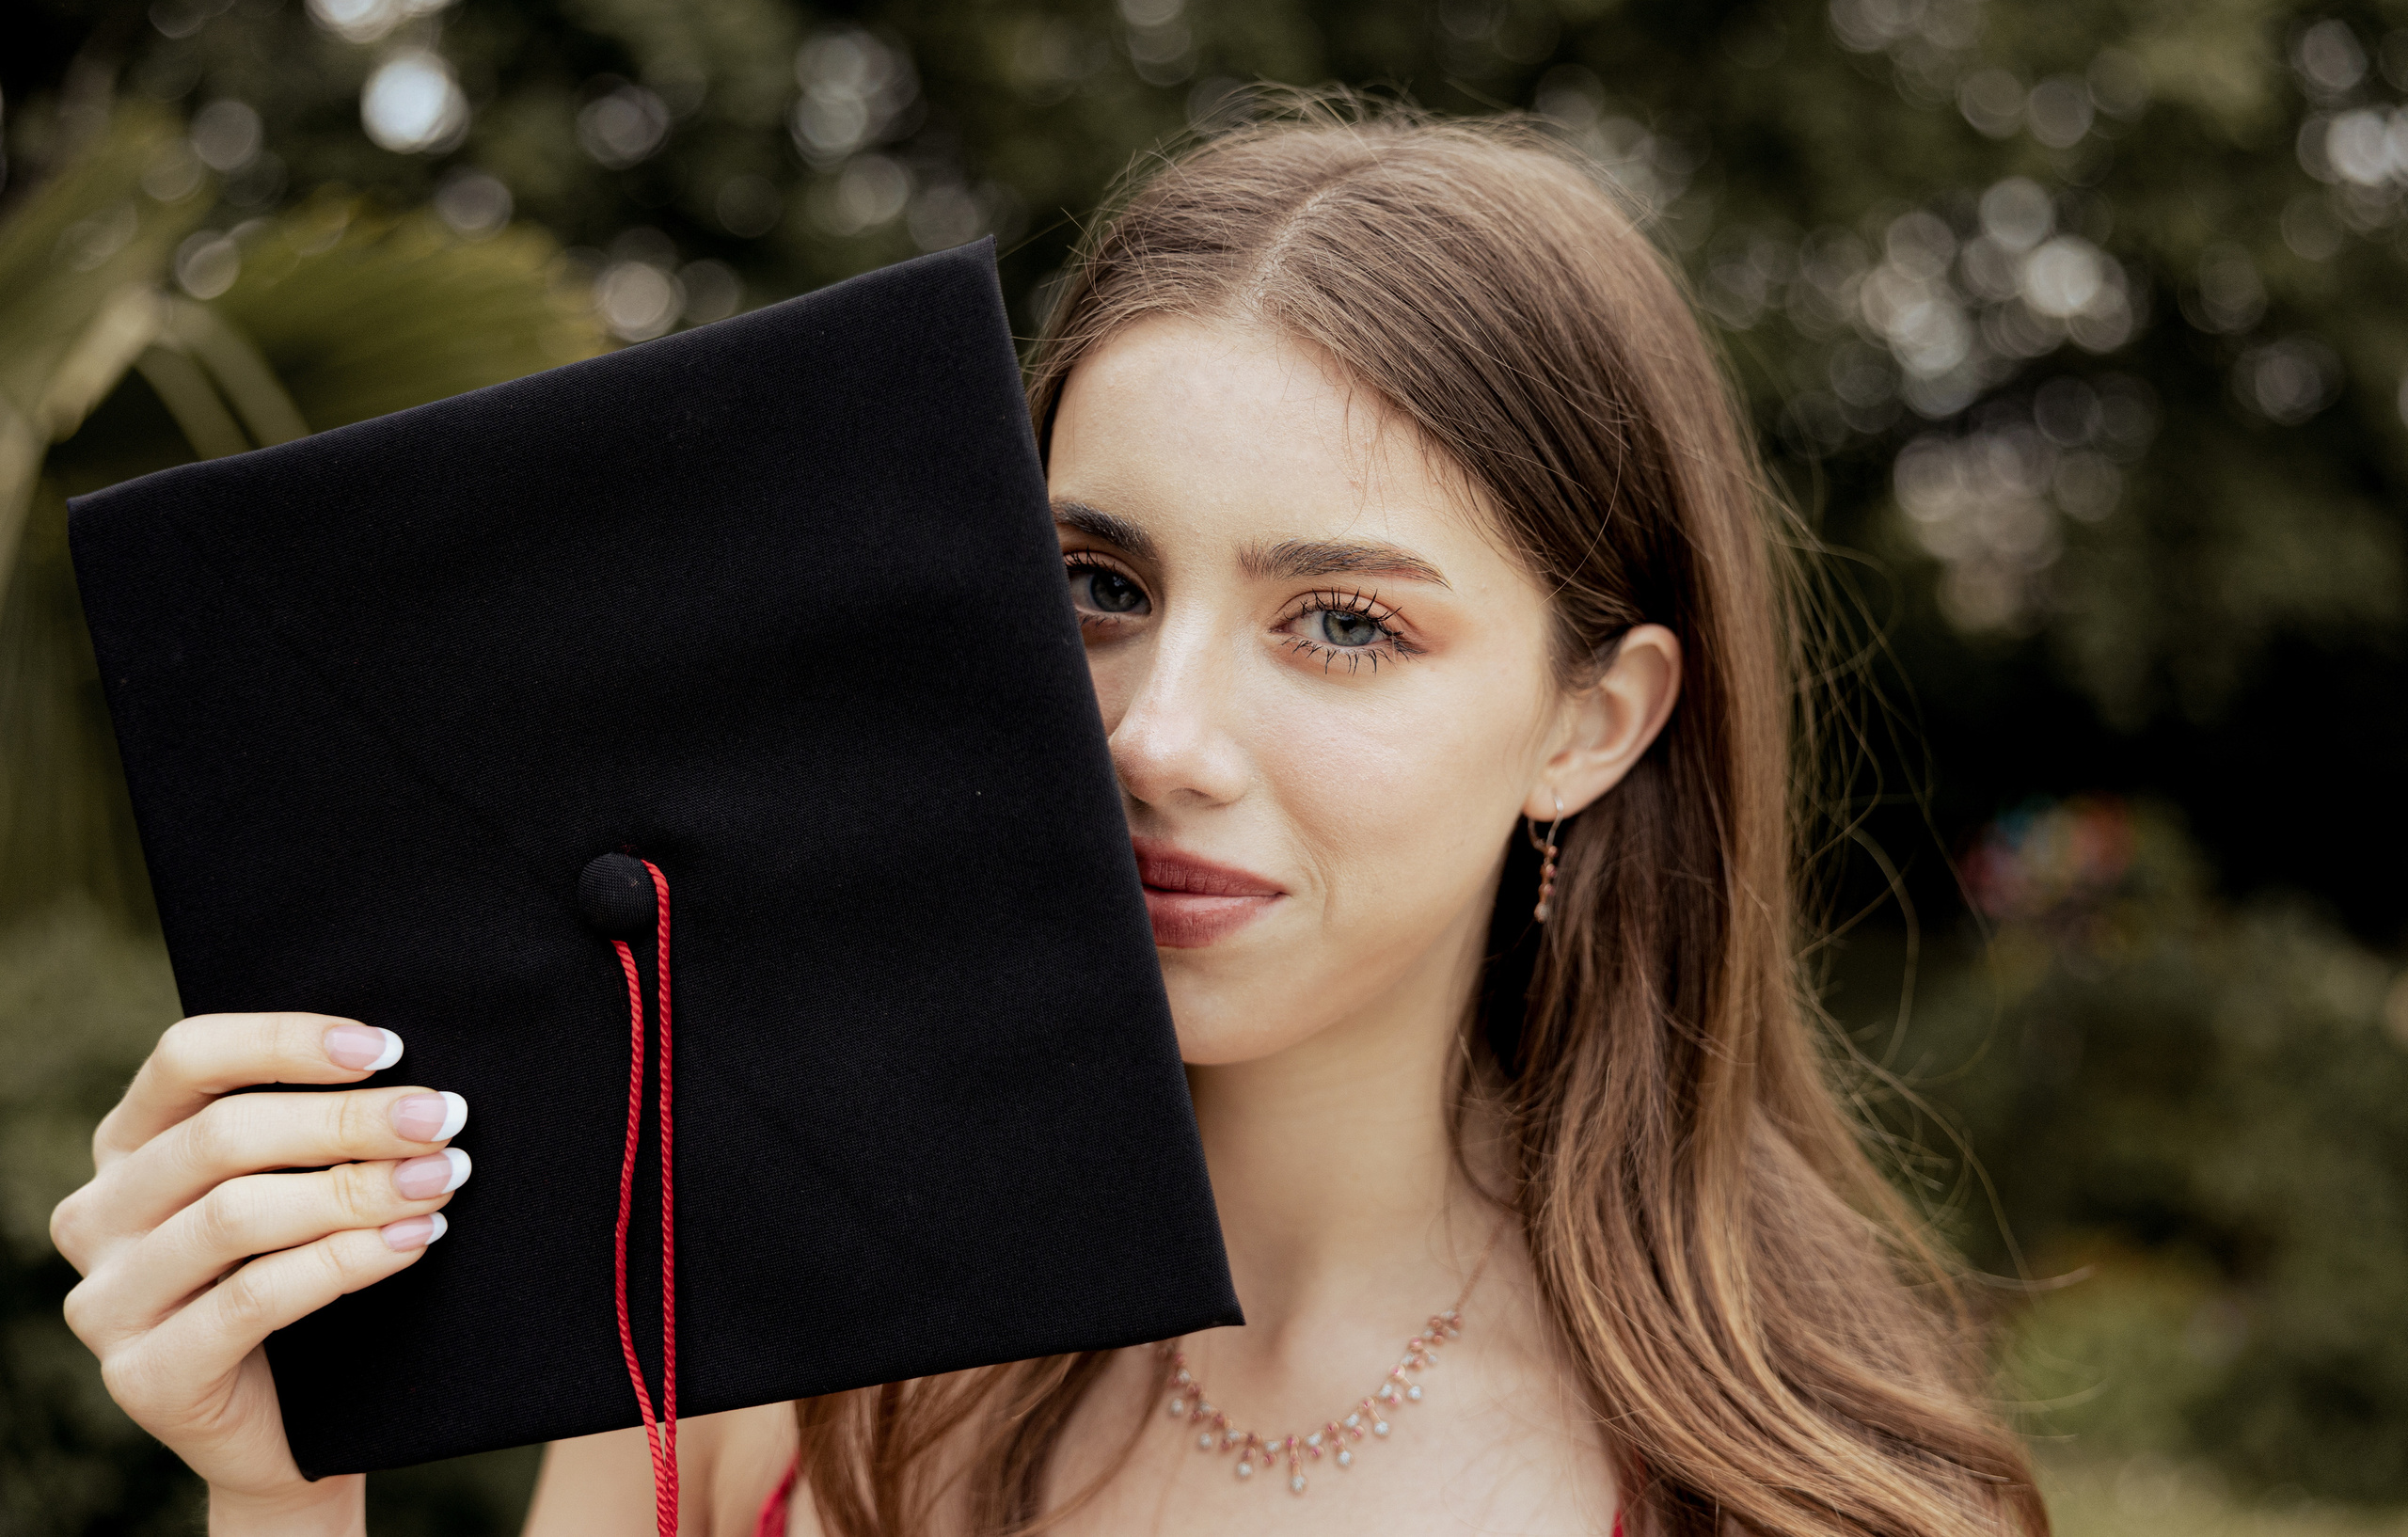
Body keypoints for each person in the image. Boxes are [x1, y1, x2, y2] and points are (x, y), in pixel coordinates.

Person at [50, 102, 2049, 1536]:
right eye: (1095, 583)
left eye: (1339, 621)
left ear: (1589, 722)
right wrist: (287, 1485)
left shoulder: (1787, 1496)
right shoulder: (764, 1330)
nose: (1158, 732)